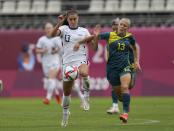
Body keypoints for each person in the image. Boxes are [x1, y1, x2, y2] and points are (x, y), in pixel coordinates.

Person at [74, 18, 141, 123]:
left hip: (125, 66)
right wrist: (80, 42)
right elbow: (92, 38)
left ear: (128, 28)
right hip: (112, 69)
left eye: (125, 25)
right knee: (120, 97)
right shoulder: (109, 35)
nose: (122, 26)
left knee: (125, 87)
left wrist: (136, 62)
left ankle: (125, 114)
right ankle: (123, 104)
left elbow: (135, 48)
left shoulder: (130, 37)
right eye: (121, 24)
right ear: (118, 25)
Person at [51, 10, 98, 127]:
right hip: (67, 64)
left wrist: (95, 38)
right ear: (67, 19)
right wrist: (59, 23)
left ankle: (86, 97)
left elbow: (94, 48)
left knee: (84, 72)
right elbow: (51, 35)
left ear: (78, 19)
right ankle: (65, 115)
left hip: (81, 60)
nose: (72, 21)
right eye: (70, 19)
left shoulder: (84, 31)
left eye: (74, 19)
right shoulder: (64, 30)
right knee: (66, 93)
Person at [106, 18, 140, 114]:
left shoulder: (127, 39)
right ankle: (116, 106)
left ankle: (118, 105)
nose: (114, 30)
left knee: (128, 86)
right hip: (115, 67)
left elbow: (135, 48)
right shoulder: (112, 37)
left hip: (128, 65)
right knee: (116, 86)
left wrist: (136, 62)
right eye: (113, 29)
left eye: (115, 28)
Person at [36, 22, 62, 105]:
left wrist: (56, 51)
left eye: (50, 28)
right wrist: (43, 50)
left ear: (53, 29)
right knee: (51, 80)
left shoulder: (57, 39)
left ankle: (48, 98)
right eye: (47, 28)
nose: (48, 30)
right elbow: (37, 50)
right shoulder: (42, 39)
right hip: (45, 62)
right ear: (45, 29)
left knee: (51, 78)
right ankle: (57, 94)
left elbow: (61, 49)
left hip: (55, 61)